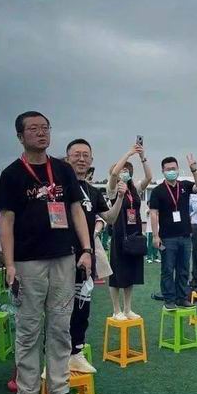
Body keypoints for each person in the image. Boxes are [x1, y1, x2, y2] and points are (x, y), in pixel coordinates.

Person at [0, 110, 92, 394]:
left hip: (63, 257)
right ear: (20, 136)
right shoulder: (12, 174)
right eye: (34, 129)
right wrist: (10, 264)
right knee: (29, 327)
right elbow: (6, 222)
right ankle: (28, 392)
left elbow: (76, 210)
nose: (41, 133)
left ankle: (59, 388)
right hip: (27, 261)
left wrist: (86, 249)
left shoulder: (62, 170)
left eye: (45, 128)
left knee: (61, 325)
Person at [65, 139, 123, 372]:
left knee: (82, 307)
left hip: (86, 257)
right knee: (60, 309)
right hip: (61, 256)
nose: (81, 159)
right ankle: (55, 358)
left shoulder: (92, 191)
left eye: (85, 155)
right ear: (67, 158)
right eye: (76, 154)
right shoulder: (59, 186)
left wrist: (120, 197)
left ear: (91, 160)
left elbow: (110, 217)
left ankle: (76, 352)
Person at [149, 154, 197, 310]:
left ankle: (181, 298)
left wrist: (194, 170)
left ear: (178, 169)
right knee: (167, 269)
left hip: (185, 236)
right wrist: (155, 235)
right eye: (168, 169)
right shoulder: (158, 191)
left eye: (173, 168)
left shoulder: (184, 185)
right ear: (163, 171)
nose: (171, 171)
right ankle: (169, 299)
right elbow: (153, 213)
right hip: (167, 237)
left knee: (184, 269)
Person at [106, 144, 152, 320]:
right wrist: (128, 153)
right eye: (122, 169)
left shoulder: (135, 189)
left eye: (127, 170)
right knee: (117, 272)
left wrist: (142, 156)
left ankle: (127, 309)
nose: (124, 172)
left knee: (131, 273)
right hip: (120, 234)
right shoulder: (113, 188)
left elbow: (149, 177)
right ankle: (116, 309)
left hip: (135, 235)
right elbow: (113, 174)